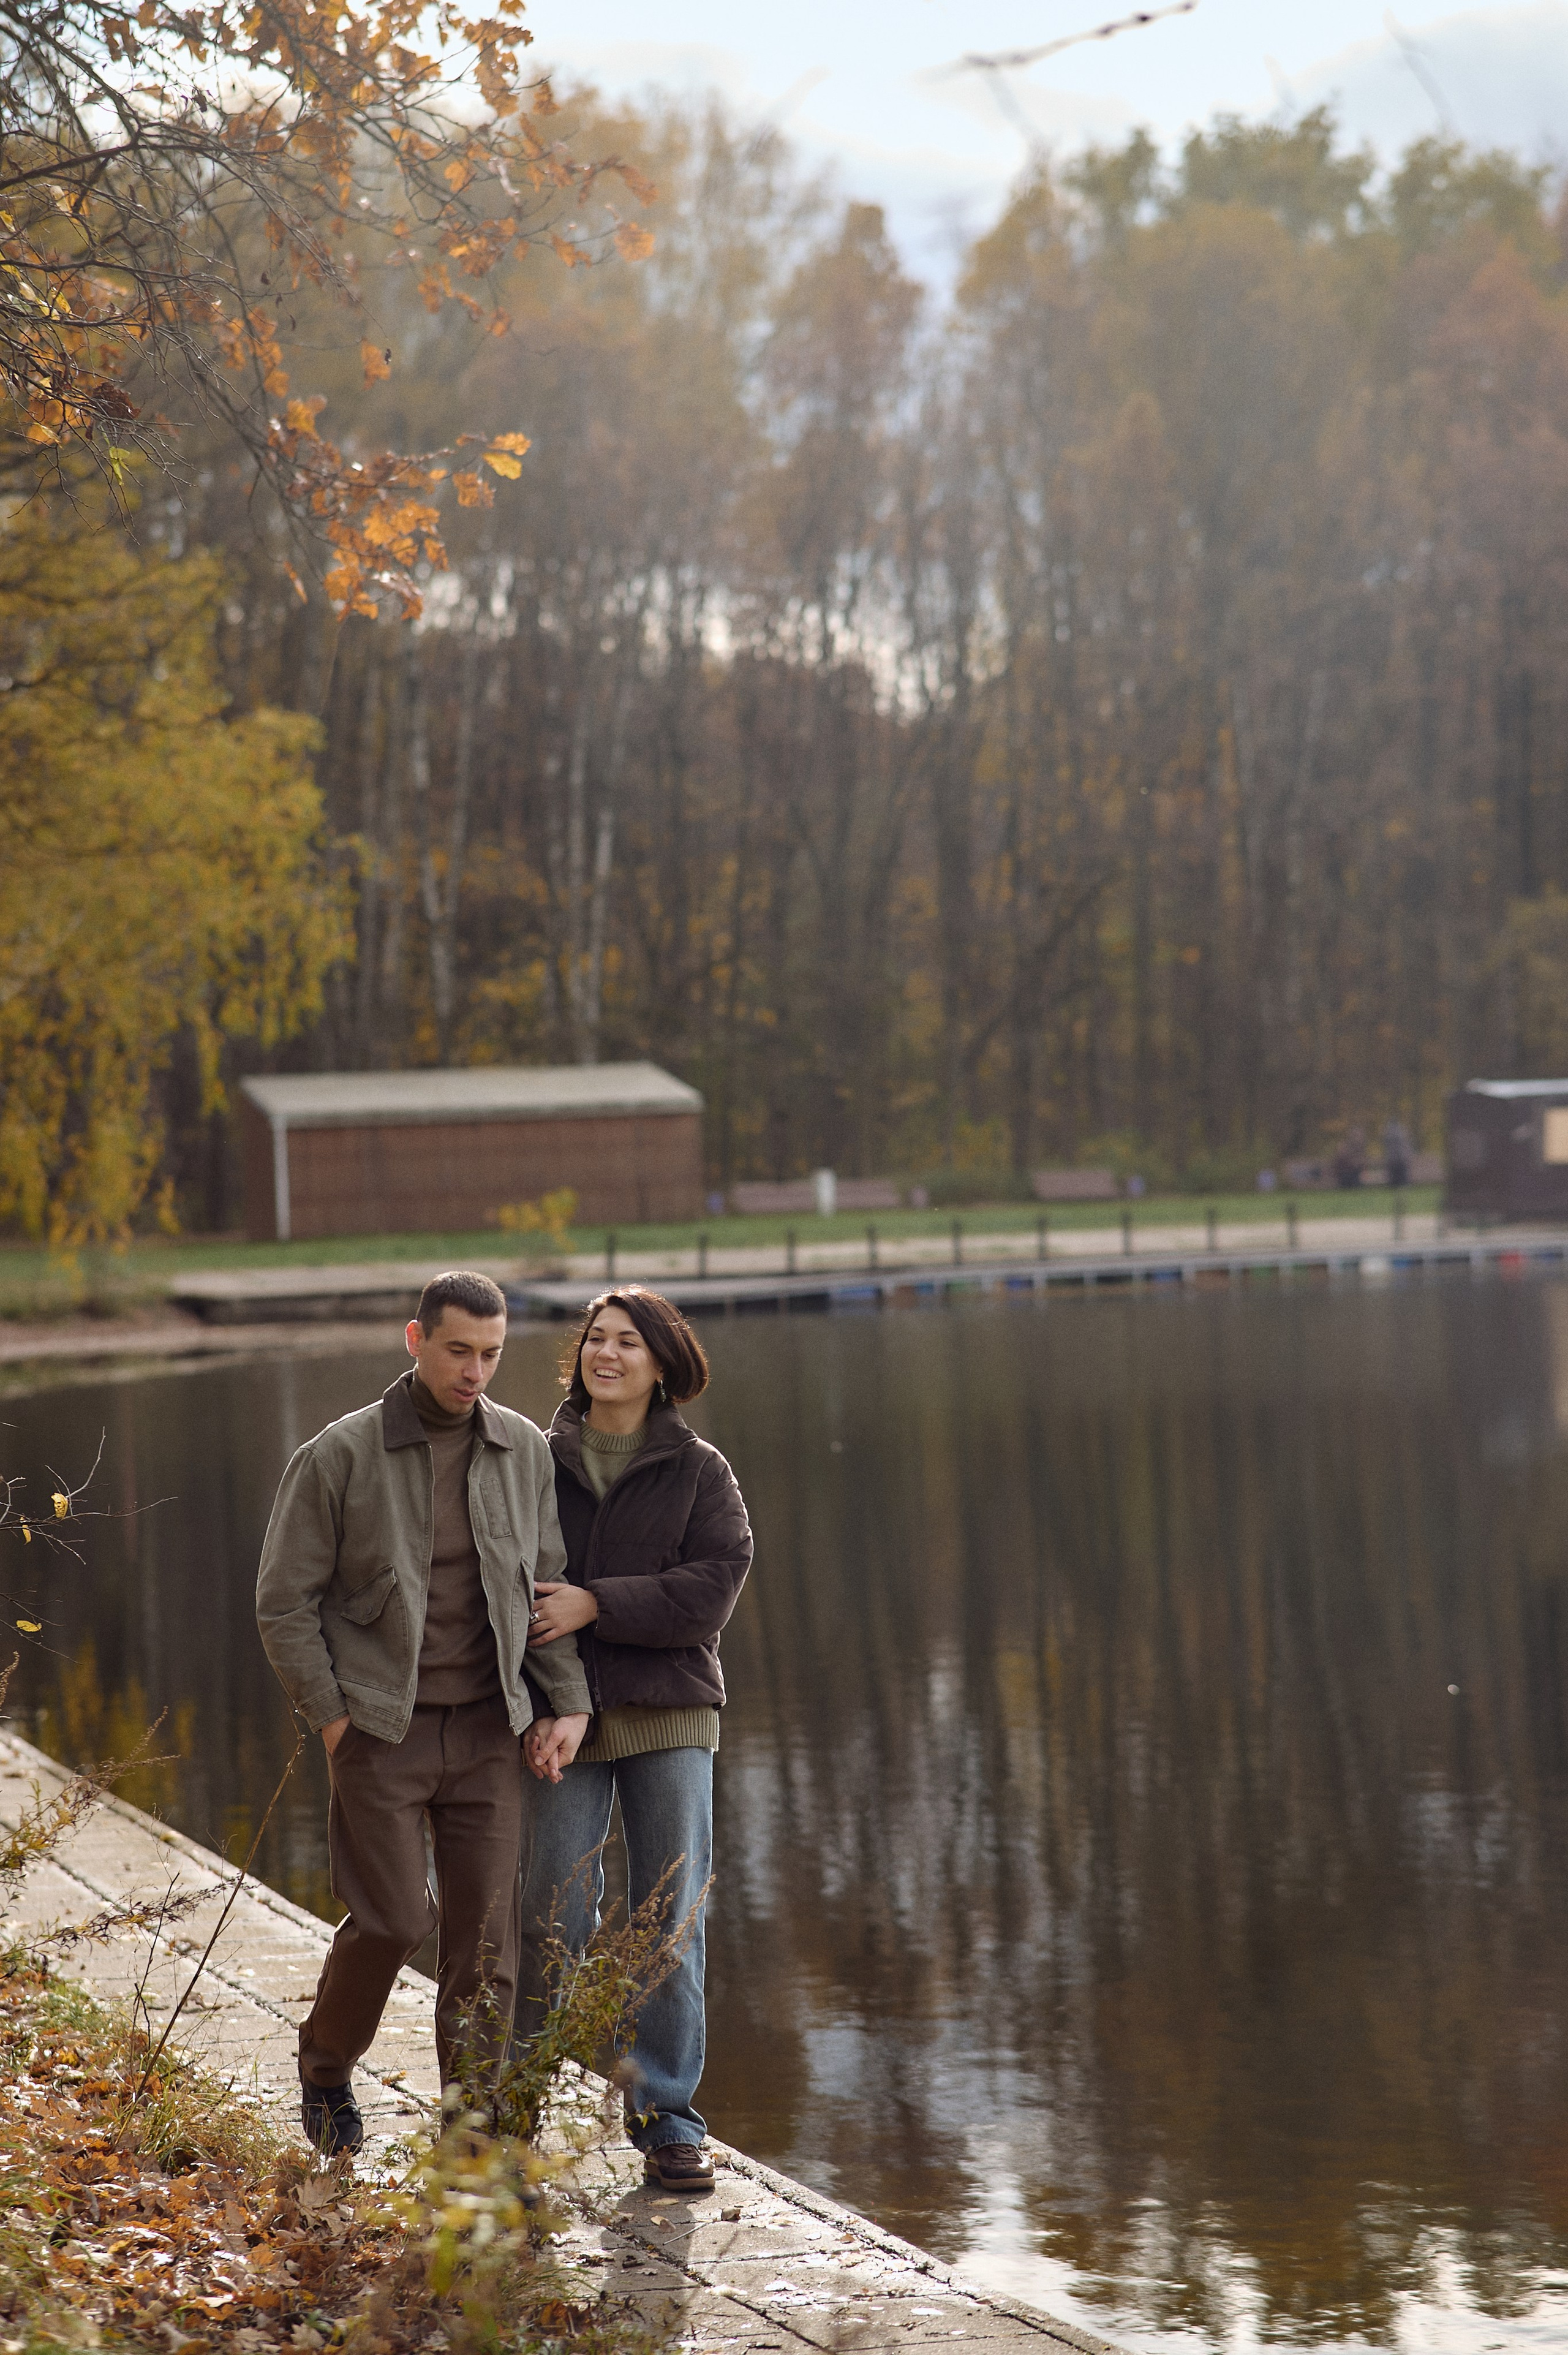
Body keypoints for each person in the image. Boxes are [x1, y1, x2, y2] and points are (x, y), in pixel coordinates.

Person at [256, 1269, 590, 2156]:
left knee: (486, 1947)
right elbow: (283, 1604)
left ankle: (471, 2141)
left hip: (488, 1734)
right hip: (379, 1731)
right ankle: (326, 2062)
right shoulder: (339, 1455)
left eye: (492, 1355)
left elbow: (544, 1589)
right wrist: (333, 1719)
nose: (475, 1372)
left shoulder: (524, 1450)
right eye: (458, 1352)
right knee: (396, 1922)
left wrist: (566, 1703)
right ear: (416, 1341)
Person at [518, 1286, 753, 2193]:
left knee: (669, 1919)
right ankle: (517, 2106)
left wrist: (597, 1603)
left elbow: (712, 1591)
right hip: (557, 1719)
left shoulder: (700, 1471)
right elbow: (510, 1583)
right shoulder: (535, 1461)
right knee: (551, 1913)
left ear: (662, 1363)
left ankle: (667, 2120)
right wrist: (548, 1690)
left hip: (669, 1716)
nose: (605, 1355)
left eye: (627, 1342)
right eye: (595, 1339)